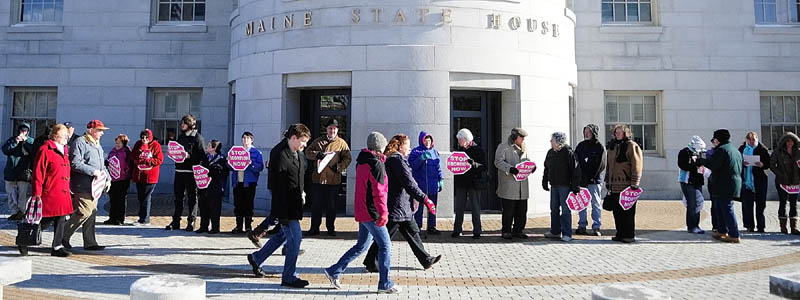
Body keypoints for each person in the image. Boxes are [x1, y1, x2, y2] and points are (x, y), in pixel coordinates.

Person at [323, 132, 399, 294]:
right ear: (380, 147)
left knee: (361, 246)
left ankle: (334, 270)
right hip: (372, 212)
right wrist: (383, 213)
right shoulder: (376, 164)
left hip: (362, 210)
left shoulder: (362, 161)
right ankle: (385, 283)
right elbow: (379, 192)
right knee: (385, 245)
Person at [363, 134, 442, 272]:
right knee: (385, 235)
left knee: (413, 232)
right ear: (400, 146)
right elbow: (409, 183)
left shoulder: (397, 159)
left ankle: (426, 259)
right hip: (397, 206)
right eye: (407, 145)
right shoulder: (396, 160)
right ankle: (370, 261)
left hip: (402, 206)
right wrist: (425, 199)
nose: (410, 148)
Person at [247, 124, 311, 288]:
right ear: (294, 138)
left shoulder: (297, 152)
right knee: (295, 239)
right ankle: (289, 276)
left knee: (283, 236)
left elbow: (301, 172)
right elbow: (278, 189)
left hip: (295, 202)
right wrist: (281, 215)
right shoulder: (280, 155)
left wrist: (302, 193)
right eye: (303, 142)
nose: (304, 145)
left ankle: (257, 258)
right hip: (285, 207)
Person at [19, 124, 74, 257]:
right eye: (64, 134)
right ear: (55, 136)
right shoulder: (45, 149)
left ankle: (57, 246)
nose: (66, 137)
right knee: (42, 220)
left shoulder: (64, 149)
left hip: (63, 191)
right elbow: (38, 173)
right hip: (49, 191)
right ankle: (24, 240)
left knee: (61, 219)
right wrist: (36, 194)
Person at [63, 120, 111, 251]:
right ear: (91, 130)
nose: (102, 133)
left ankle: (90, 242)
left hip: (95, 186)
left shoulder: (97, 145)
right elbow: (75, 163)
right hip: (82, 184)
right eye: (99, 130)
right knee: (84, 211)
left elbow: (102, 166)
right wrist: (93, 171)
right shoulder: (80, 142)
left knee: (92, 213)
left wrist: (107, 178)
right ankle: (62, 236)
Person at [304, 119, 352, 236]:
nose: (332, 130)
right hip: (318, 179)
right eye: (330, 128)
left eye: (334, 128)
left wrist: (339, 167)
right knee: (316, 206)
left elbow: (348, 158)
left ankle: (330, 228)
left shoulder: (341, 143)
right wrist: (316, 155)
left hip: (333, 180)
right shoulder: (318, 141)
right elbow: (307, 152)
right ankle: (314, 228)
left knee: (332, 206)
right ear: (326, 129)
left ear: (337, 130)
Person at [700, 129, 743, 243]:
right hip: (733, 182)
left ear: (718, 139)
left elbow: (713, 165)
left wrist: (701, 161)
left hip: (724, 183)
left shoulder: (722, 150)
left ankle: (734, 234)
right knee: (720, 207)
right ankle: (722, 230)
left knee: (727, 207)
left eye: (714, 139)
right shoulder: (734, 150)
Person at [166, 114, 206, 231]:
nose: (181, 125)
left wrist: (189, 156)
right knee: (178, 197)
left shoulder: (198, 138)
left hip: (191, 172)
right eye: (182, 123)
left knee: (192, 197)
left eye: (184, 123)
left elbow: (202, 155)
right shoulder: (181, 137)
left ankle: (191, 221)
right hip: (179, 170)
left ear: (190, 124)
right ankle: (176, 221)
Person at [605, 124, 643, 243]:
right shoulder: (612, 146)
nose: (618, 134)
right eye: (616, 132)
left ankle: (629, 235)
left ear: (626, 133)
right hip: (614, 186)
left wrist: (635, 183)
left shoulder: (632, 146)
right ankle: (620, 234)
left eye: (620, 132)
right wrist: (608, 181)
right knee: (617, 212)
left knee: (628, 212)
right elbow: (609, 165)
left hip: (627, 186)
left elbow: (637, 165)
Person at [494, 127, 533, 239]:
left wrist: (531, 167)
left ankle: (518, 230)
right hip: (509, 185)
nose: (523, 140)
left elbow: (527, 161)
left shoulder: (525, 148)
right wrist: (510, 169)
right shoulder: (503, 147)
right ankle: (506, 230)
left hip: (522, 186)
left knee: (522, 210)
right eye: (521, 137)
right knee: (508, 210)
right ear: (515, 137)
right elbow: (498, 162)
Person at [542, 132, 581, 242]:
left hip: (565, 186)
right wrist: (545, 181)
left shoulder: (569, 153)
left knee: (565, 210)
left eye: (552, 140)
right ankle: (555, 231)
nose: (551, 142)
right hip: (554, 185)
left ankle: (567, 233)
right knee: (553, 209)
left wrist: (575, 186)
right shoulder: (550, 153)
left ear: (558, 142)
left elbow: (576, 170)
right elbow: (546, 168)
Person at [408, 131, 444, 235]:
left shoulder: (435, 152)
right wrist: (421, 158)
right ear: (422, 141)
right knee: (418, 208)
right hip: (420, 185)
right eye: (426, 140)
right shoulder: (415, 152)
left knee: (432, 207)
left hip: (432, 185)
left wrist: (441, 179)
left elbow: (438, 167)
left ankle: (432, 226)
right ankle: (417, 226)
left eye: (429, 140)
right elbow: (413, 166)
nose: (428, 143)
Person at [452, 128, 485, 239]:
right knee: (459, 207)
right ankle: (457, 230)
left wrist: (473, 164)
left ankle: (477, 231)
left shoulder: (478, 150)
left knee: (475, 207)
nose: (459, 142)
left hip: (474, 183)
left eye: (460, 140)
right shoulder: (458, 151)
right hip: (462, 182)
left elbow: (483, 167)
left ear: (466, 139)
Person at [574, 124, 605, 236]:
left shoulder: (599, 147)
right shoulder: (580, 146)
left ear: (594, 133)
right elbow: (576, 162)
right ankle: (582, 225)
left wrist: (591, 177)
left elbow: (601, 165)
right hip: (582, 181)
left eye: (589, 132)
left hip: (594, 181)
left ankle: (596, 227)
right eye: (585, 131)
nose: (586, 134)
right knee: (581, 203)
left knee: (595, 204)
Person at [231, 132, 264, 234]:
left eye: (247, 138)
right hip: (238, 182)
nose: (245, 140)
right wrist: (229, 161)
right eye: (243, 138)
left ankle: (248, 226)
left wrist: (251, 163)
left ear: (251, 140)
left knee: (248, 205)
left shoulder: (256, 153)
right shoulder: (237, 152)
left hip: (249, 183)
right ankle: (239, 226)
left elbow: (260, 168)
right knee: (238, 204)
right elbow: (230, 167)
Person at [738, 132, 770, 233]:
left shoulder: (762, 149)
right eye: (750, 139)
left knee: (760, 205)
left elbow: (769, 163)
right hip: (746, 181)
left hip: (759, 179)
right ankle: (749, 225)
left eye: (753, 139)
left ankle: (761, 226)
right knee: (747, 205)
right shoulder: (742, 149)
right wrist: (743, 163)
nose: (752, 142)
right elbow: (737, 161)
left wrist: (762, 165)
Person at [770, 132, 800, 235]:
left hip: (795, 182)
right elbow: (772, 165)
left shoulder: (798, 152)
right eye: (788, 141)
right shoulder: (777, 152)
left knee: (793, 204)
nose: (790, 143)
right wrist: (781, 175)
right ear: (784, 141)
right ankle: (783, 227)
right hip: (782, 182)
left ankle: (794, 227)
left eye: (792, 141)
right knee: (783, 202)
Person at [131, 129, 163, 226]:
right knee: (141, 197)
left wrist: (148, 161)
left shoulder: (156, 145)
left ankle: (145, 219)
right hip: (139, 175)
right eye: (142, 137)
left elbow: (159, 160)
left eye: (146, 137)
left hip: (150, 176)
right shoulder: (138, 144)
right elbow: (133, 155)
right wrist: (141, 149)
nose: (144, 139)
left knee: (146, 197)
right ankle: (141, 217)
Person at [3, 122, 34, 221]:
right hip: (11, 171)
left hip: (23, 172)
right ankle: (14, 212)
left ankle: (22, 212)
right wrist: (15, 143)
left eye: (25, 131)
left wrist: (25, 142)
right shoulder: (12, 140)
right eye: (21, 130)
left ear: (28, 132)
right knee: (10, 194)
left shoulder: (30, 141)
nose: (23, 132)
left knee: (22, 194)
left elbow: (33, 152)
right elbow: (5, 150)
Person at [197, 140, 229, 234]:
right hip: (204, 186)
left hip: (215, 186)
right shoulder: (204, 157)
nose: (207, 146)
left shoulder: (221, 158)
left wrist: (212, 172)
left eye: (209, 145)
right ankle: (203, 226)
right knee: (203, 207)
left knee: (214, 208)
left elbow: (224, 173)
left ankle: (215, 228)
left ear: (214, 148)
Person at [678, 136, 707, 234]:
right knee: (691, 203)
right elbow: (682, 165)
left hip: (698, 180)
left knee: (699, 202)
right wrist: (695, 166)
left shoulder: (701, 153)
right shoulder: (685, 152)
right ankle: (691, 226)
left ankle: (696, 224)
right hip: (687, 181)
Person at [104, 134, 133, 225]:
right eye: (116, 143)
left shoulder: (126, 152)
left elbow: (129, 165)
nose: (117, 145)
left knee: (121, 199)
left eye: (119, 143)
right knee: (112, 199)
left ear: (123, 143)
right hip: (113, 179)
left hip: (123, 179)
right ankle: (112, 217)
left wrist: (126, 173)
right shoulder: (112, 151)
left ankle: (120, 218)